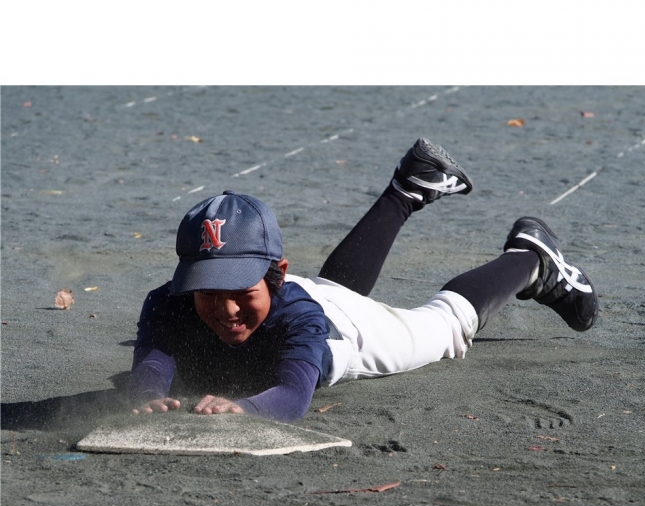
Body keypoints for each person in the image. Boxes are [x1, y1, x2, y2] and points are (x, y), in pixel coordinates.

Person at [129, 138, 598, 422]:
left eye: (240, 289)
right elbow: (151, 366)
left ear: (277, 276)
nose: (226, 307)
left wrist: (246, 409)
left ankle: (532, 258)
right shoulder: (169, 301)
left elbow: (292, 397)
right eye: (209, 290)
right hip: (311, 297)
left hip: (350, 331)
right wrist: (146, 398)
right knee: (335, 289)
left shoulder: (301, 318)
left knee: (446, 328)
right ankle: (409, 188)